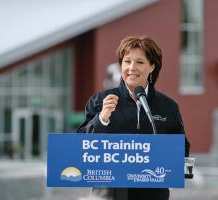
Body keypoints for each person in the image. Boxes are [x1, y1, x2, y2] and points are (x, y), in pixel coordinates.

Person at [77, 36, 190, 200]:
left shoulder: (168, 106)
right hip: (109, 193)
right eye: (126, 61)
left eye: (140, 62)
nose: (131, 68)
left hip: (153, 193)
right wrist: (102, 119)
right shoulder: (100, 101)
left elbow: (181, 148)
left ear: (152, 66)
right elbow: (80, 144)